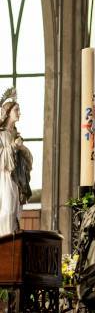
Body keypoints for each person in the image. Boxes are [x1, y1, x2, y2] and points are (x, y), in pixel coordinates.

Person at [0, 88, 32, 236]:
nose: (19, 113)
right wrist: (14, 147)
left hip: (17, 179)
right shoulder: (1, 135)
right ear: (7, 112)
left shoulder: (16, 135)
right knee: (6, 210)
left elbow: (26, 161)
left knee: (15, 211)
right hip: (5, 179)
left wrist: (23, 150)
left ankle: (12, 242)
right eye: (16, 110)